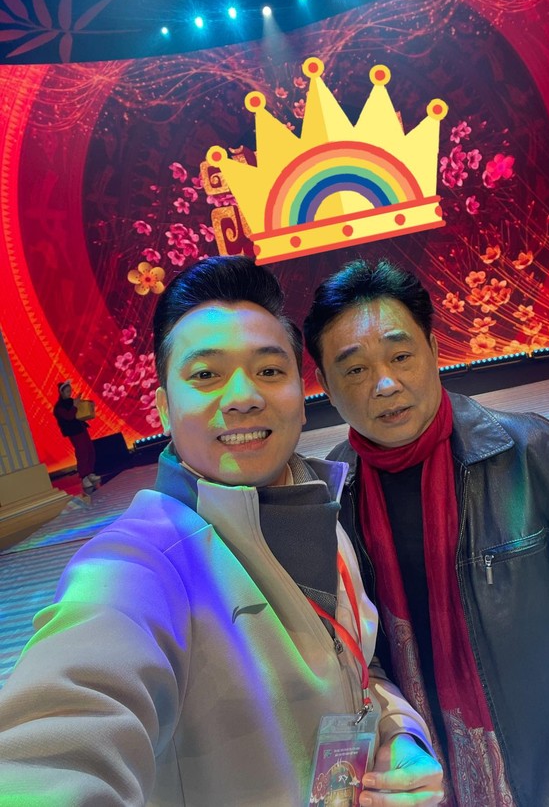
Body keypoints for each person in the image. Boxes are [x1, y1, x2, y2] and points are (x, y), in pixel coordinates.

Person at [0, 256, 443, 807]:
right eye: (206, 375)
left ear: (302, 396)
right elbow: (58, 738)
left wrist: (399, 735)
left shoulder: (321, 510)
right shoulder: (139, 564)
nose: (243, 397)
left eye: (270, 371)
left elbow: (357, 662)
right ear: (164, 408)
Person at [303, 258, 549, 807]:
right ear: (325, 384)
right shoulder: (330, 500)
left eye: (400, 356)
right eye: (356, 369)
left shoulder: (535, 456)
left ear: (434, 350)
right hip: (421, 783)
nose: (385, 384)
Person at [53, 379, 100, 494]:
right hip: (74, 431)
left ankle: (89, 473)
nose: (70, 393)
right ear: (62, 392)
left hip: (81, 428)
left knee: (90, 450)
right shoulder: (59, 407)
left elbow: (81, 410)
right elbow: (69, 416)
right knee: (82, 452)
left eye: (70, 391)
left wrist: (88, 404)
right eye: (67, 391)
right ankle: (84, 477)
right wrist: (75, 405)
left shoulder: (71, 401)